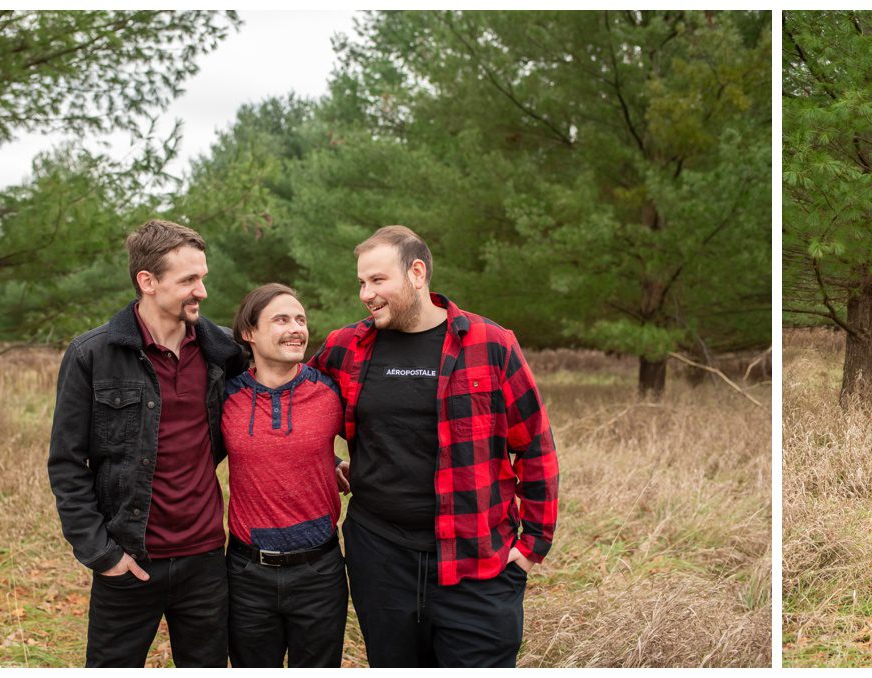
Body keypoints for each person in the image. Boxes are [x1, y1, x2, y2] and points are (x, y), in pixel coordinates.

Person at [307, 225, 559, 667]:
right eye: (361, 282)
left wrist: (532, 545)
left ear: (417, 273)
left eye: (378, 280)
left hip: (477, 561)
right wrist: (327, 460)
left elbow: (535, 446)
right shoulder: (346, 346)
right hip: (381, 558)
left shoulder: (491, 344)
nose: (366, 293)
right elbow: (295, 405)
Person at [47, 220, 244, 667]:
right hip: (129, 559)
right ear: (148, 282)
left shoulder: (224, 352)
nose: (202, 291)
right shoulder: (91, 355)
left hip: (205, 560)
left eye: (203, 277)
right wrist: (102, 554)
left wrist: (323, 459)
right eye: (189, 280)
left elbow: (267, 415)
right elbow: (65, 464)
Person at [220, 284, 351, 667]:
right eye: (281, 320)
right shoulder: (226, 397)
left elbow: (377, 441)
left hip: (320, 571)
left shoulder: (329, 391)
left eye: (301, 319)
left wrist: (340, 462)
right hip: (247, 573)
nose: (296, 328)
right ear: (249, 333)